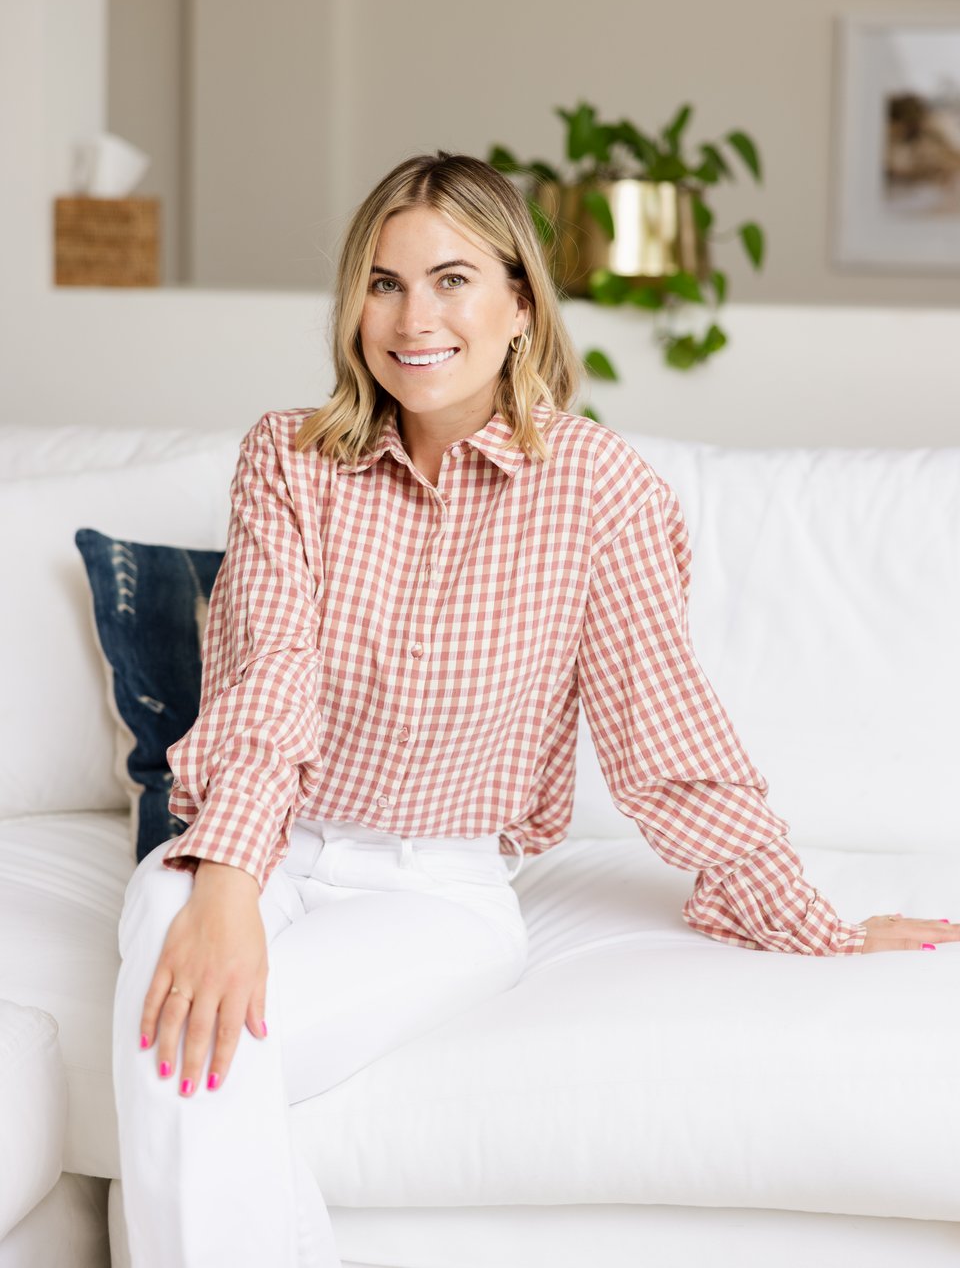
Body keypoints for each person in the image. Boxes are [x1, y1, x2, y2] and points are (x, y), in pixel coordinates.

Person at [112, 151, 960, 1267]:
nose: (413, 318)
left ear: (520, 302)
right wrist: (224, 884)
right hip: (246, 849)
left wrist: (811, 921)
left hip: (433, 892)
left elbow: (665, 736)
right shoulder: (289, 457)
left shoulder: (601, 489)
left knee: (180, 1055)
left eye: (452, 280)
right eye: (383, 283)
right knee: (177, 1014)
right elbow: (268, 676)